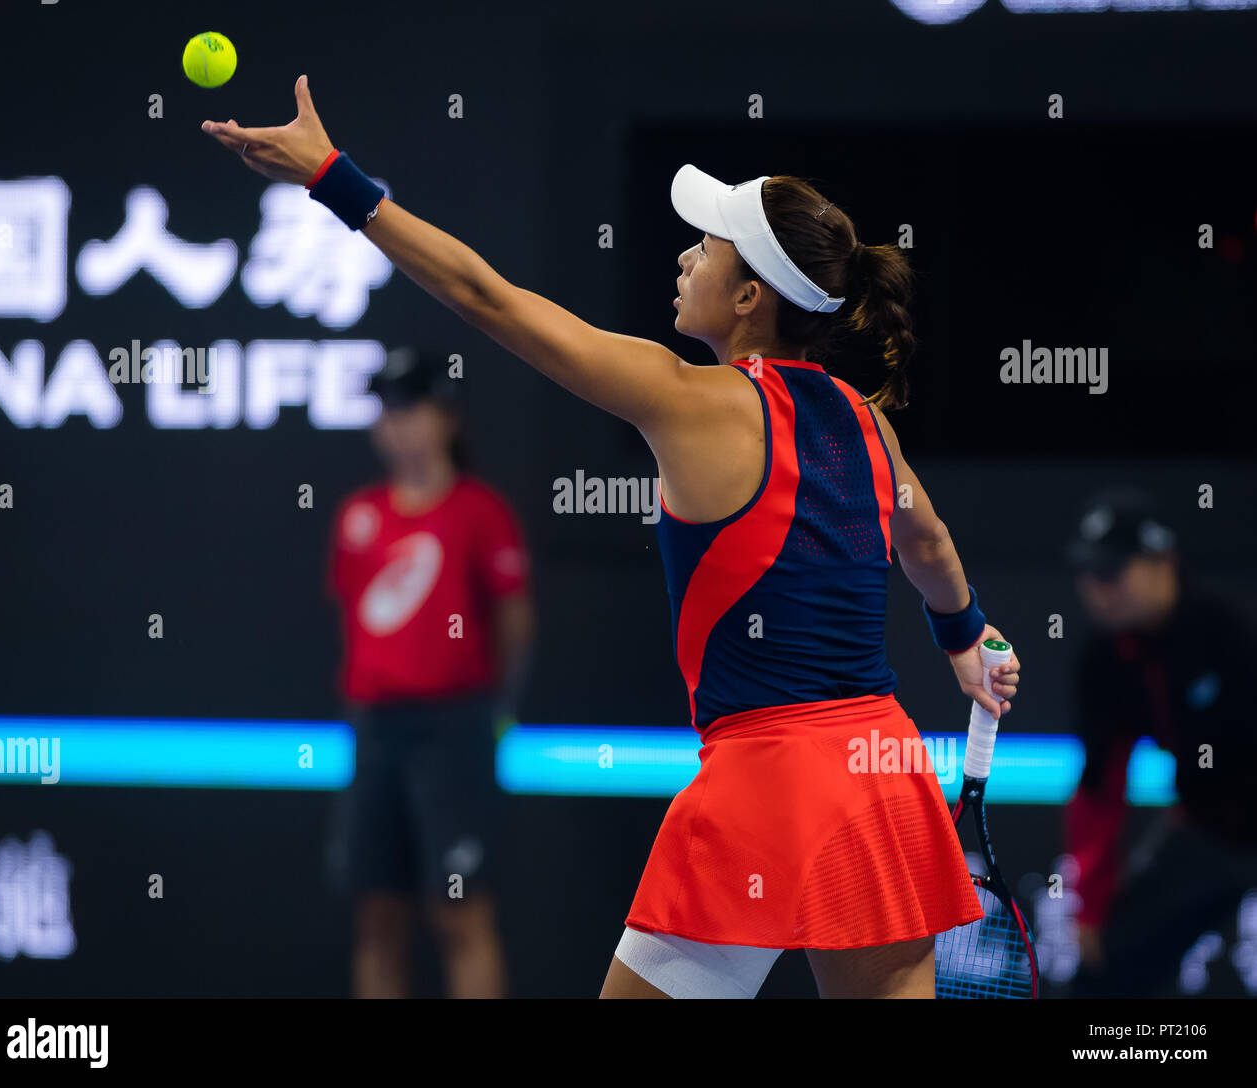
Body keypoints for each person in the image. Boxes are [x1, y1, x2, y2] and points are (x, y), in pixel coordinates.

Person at [201, 77, 1021, 999]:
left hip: (764, 782)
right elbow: (930, 547)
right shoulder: (866, 424)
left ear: (749, 295)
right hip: (881, 775)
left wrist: (333, 177)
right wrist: (968, 638)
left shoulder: (681, 398)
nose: (684, 257)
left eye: (704, 247)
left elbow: (491, 301)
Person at [325, 345, 535, 998]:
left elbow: (515, 623)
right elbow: (354, 620)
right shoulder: (358, 517)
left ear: (447, 417)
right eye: (385, 409)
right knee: (379, 917)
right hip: (376, 728)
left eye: (410, 407)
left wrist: (493, 713)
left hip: (455, 729)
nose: (396, 423)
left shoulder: (479, 512)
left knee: (460, 913)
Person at [1063, 488, 1257, 997]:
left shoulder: (1233, 634)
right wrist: (1090, 908)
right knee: (1102, 974)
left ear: (1163, 561)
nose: (1098, 589)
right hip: (1208, 833)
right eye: (1088, 575)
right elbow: (1100, 788)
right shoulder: (1104, 660)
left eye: (1112, 572)